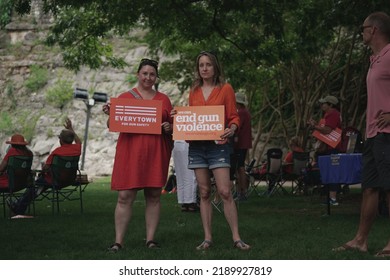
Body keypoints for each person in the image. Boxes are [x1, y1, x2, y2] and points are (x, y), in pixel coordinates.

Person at [174, 51, 250, 250]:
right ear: (198, 69)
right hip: (198, 147)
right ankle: (207, 239)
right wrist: (179, 117)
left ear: (215, 67)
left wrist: (231, 128)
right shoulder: (194, 91)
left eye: (208, 64)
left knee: (225, 191)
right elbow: (193, 118)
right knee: (205, 192)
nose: (205, 68)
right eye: (201, 65)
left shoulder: (226, 89)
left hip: (219, 146)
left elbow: (234, 117)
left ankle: (236, 238)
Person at [333, 12, 390, 257]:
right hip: (373, 134)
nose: (362, 32)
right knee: (369, 188)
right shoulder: (376, 59)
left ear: (374, 30)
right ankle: (360, 240)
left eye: (363, 28)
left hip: (387, 134)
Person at [103, 58, 173, 251]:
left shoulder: (164, 99)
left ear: (156, 77)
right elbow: (112, 125)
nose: (148, 77)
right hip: (131, 152)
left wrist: (169, 127)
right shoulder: (125, 97)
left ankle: (150, 239)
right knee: (125, 196)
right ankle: (118, 241)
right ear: (138, 75)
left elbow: (172, 128)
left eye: (152, 74)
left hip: (154, 153)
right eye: (144, 73)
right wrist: (110, 115)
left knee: (153, 195)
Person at [10, 118, 81, 215]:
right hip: (70, 180)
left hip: (56, 181)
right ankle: (19, 205)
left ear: (61, 140)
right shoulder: (77, 149)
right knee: (41, 184)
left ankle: (19, 205)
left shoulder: (56, 152)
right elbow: (79, 141)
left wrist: (42, 172)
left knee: (38, 183)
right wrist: (71, 129)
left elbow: (45, 168)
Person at [308, 95, 342, 205]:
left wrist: (314, 126)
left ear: (331, 105)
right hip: (329, 148)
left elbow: (327, 130)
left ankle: (333, 198)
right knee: (329, 172)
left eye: (324, 103)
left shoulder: (333, 114)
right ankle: (330, 197)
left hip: (332, 148)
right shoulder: (329, 114)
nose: (322, 105)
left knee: (332, 172)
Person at [230, 92, 252, 201]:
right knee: (240, 167)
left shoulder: (242, 113)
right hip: (244, 144)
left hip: (240, 144)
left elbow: (237, 127)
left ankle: (241, 191)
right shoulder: (245, 112)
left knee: (239, 167)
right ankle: (241, 191)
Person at [172, 140, 198, 212]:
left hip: (177, 143)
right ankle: (190, 202)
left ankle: (183, 201)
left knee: (181, 174)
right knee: (190, 174)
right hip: (187, 141)